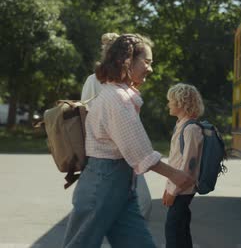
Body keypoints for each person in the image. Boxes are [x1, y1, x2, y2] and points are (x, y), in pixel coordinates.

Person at [63, 34, 194, 248]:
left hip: (116, 185)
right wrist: (176, 175)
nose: (150, 69)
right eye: (147, 62)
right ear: (127, 61)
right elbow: (139, 151)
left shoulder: (118, 95)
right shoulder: (118, 99)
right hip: (103, 186)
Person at [81, 32, 153, 220]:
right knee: (141, 205)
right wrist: (175, 175)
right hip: (111, 157)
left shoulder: (123, 86)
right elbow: (91, 115)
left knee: (131, 216)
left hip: (119, 161)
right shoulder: (111, 91)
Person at [163, 83, 205, 248]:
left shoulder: (191, 129)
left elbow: (188, 165)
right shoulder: (182, 126)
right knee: (181, 227)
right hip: (180, 186)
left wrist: (173, 191)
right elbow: (176, 161)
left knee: (172, 229)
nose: (169, 104)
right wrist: (169, 187)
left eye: (171, 101)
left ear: (181, 103)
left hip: (183, 188)